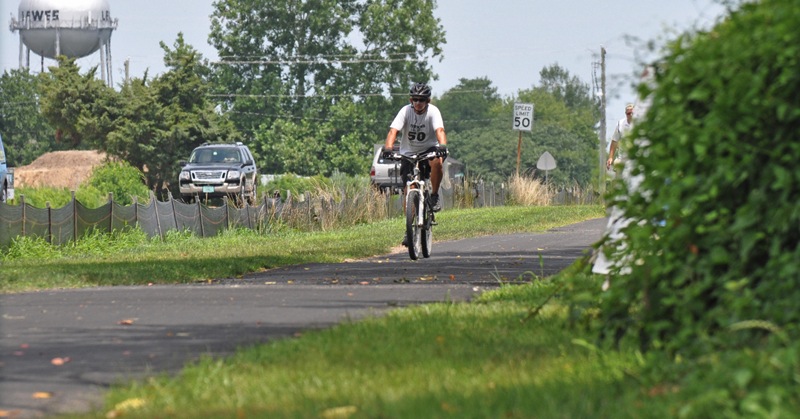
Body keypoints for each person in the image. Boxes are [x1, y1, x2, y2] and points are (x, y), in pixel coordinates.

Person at [382, 82, 448, 246]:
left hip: (428, 150)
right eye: (415, 99)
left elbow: (440, 131)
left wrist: (443, 146)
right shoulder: (405, 111)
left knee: (438, 163)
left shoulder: (433, 112)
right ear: (411, 100)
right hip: (408, 153)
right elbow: (393, 131)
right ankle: (409, 230)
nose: (418, 103)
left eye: (422, 100)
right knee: (408, 191)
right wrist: (388, 148)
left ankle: (433, 196)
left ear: (428, 101)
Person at [606, 104, 634, 170]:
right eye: (628, 113)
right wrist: (610, 157)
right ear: (626, 114)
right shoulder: (620, 124)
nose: (631, 115)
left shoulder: (640, 123)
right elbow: (614, 141)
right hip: (622, 158)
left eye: (632, 113)